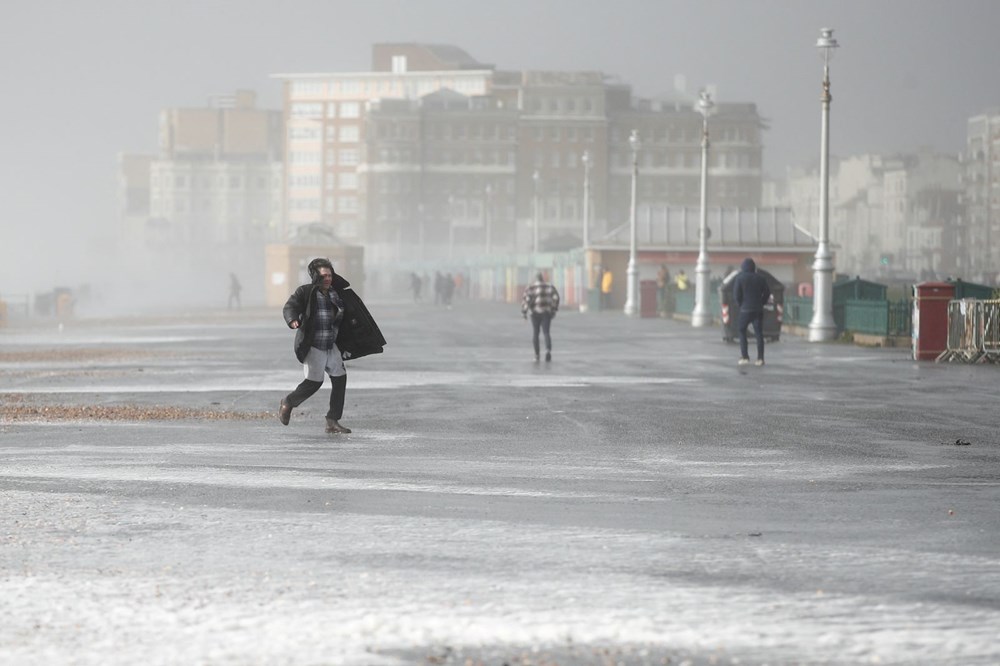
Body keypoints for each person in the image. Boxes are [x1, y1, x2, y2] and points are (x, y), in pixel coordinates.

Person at [278, 258, 386, 433]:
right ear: (315, 276)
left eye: (329, 275)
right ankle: (288, 402)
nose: (327, 278)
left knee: (340, 378)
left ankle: (332, 420)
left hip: (331, 344)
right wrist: (293, 321)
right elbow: (290, 307)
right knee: (314, 382)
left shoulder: (338, 293)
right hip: (313, 345)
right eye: (323, 276)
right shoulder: (306, 292)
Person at [732, 257, 771, 367]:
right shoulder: (760, 278)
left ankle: (745, 356)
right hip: (758, 309)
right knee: (759, 333)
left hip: (745, 309)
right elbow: (767, 293)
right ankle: (760, 358)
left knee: (741, 330)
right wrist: (761, 303)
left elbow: (736, 295)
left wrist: (741, 304)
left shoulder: (740, 278)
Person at [521, 271, 560, 362]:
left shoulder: (530, 288)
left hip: (534, 313)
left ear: (535, 279)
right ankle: (548, 350)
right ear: (542, 278)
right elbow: (556, 297)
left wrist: (524, 313)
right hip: (546, 312)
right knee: (546, 332)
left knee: (536, 333)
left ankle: (537, 355)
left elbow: (526, 300)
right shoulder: (550, 286)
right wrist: (553, 309)